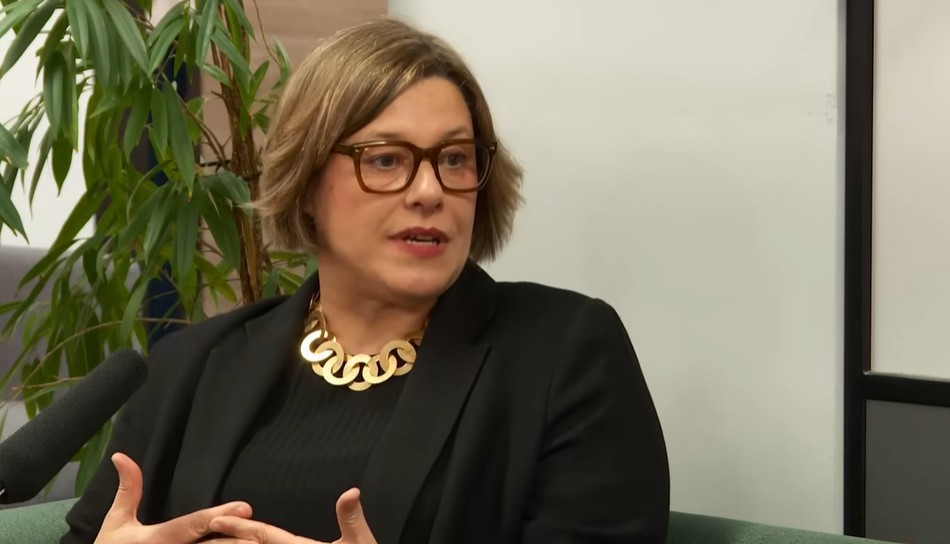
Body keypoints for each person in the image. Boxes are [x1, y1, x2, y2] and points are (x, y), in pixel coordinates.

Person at [62, 15, 669, 544]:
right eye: (386, 160)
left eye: (455, 159)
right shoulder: (191, 366)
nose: (430, 191)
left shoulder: (565, 354)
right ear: (306, 181)